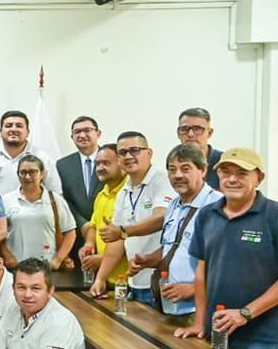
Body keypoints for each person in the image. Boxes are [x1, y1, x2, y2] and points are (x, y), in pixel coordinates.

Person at [175, 148, 278, 349]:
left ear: (259, 178)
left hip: (262, 338)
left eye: (242, 173)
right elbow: (202, 271)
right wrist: (199, 322)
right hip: (217, 331)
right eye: (226, 172)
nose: (232, 179)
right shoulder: (207, 215)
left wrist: (245, 313)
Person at [128, 144, 222, 320]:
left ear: (203, 171)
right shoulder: (173, 205)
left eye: (185, 169)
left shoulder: (217, 206)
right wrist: (148, 260)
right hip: (170, 306)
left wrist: (194, 289)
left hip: (200, 310)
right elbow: (173, 247)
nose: (177, 175)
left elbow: (228, 263)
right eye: (172, 170)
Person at [89, 132, 174, 306]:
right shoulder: (125, 191)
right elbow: (117, 241)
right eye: (122, 152)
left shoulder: (163, 180)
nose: (128, 156)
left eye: (134, 150)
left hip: (161, 282)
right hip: (134, 283)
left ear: (149, 153)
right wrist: (100, 278)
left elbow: (161, 218)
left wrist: (123, 231)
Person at [0, 155, 75, 269]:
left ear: (42, 174)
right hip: (17, 267)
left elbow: (70, 232)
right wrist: (8, 257)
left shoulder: (55, 200)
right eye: (23, 172)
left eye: (33, 172)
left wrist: (58, 259)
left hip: (48, 267)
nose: (27, 176)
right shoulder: (6, 200)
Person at [79, 144, 129, 293]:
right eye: (98, 163)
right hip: (105, 279)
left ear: (121, 164)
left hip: (125, 281)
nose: (100, 168)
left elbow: (129, 236)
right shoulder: (102, 194)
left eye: (106, 163)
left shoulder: (129, 194)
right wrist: (89, 244)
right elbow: (93, 225)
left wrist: (102, 259)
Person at [55, 116, 104, 268]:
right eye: (77, 132)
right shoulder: (62, 165)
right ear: (72, 137)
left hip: (108, 233)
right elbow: (63, 200)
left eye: (87, 130)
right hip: (76, 235)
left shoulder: (112, 159)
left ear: (98, 133)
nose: (82, 135)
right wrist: (83, 224)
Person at [0, 110, 61, 196]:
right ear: (0, 131)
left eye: (19, 126)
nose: (14, 129)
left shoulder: (42, 158)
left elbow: (55, 193)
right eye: (8, 126)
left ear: (28, 132)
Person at [176, 107, 223, 190]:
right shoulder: (174, 162)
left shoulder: (223, 162)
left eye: (197, 129)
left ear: (209, 133)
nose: (190, 134)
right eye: (184, 129)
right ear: (178, 134)